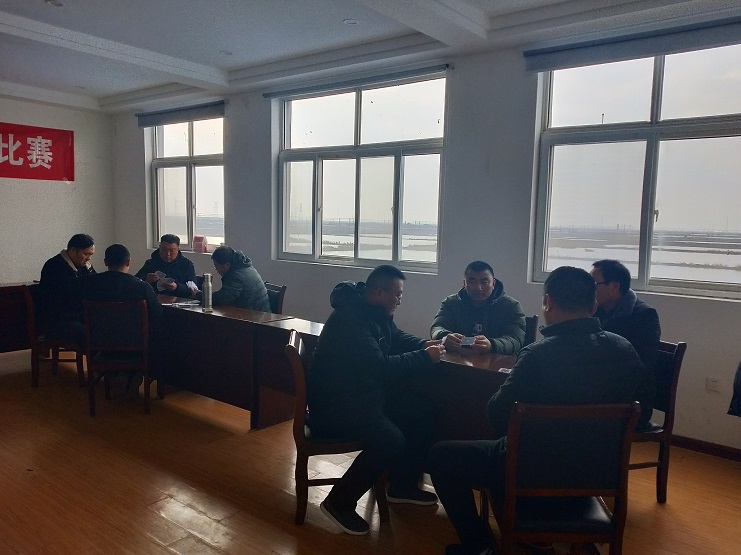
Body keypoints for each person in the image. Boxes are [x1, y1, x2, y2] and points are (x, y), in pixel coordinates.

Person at [428, 266, 644, 555]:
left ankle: (479, 545)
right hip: (598, 469)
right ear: (594, 306)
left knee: (442, 455)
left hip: (531, 468)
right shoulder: (625, 350)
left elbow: (497, 415)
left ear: (548, 302)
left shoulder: (538, 355)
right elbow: (639, 408)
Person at [308, 265, 446, 535]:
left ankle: (402, 486)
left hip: (360, 394)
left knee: (423, 411)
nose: (400, 300)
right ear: (380, 292)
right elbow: (380, 367)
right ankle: (339, 502)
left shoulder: (375, 311)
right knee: (390, 439)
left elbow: (396, 336)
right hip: (336, 405)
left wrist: (425, 344)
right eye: (398, 295)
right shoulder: (351, 319)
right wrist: (424, 358)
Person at [83, 243, 162, 397]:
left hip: (100, 343)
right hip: (136, 344)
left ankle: (116, 375)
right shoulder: (142, 287)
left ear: (105, 262)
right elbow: (157, 314)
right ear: (128, 262)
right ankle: (134, 375)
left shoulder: (90, 283)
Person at [591, 259, 661, 430]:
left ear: (614, 286)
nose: (588, 289)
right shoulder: (595, 310)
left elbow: (639, 367)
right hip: (600, 390)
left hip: (632, 401)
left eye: (593, 284)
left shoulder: (644, 316)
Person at [431, 261, 525, 356]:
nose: (478, 288)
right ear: (464, 283)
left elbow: (515, 340)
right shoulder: (451, 303)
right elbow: (437, 327)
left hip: (496, 361)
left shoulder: (511, 306)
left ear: (493, 283)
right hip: (457, 359)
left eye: (484, 282)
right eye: (472, 282)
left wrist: (492, 345)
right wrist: (444, 336)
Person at [38, 233, 97, 344]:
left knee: (106, 327)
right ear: (73, 250)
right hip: (58, 320)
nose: (89, 258)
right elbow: (66, 295)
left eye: (91, 254)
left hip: (77, 316)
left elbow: (95, 284)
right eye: (86, 254)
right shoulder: (54, 266)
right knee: (93, 334)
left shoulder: (85, 266)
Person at [204, 245, 270, 311]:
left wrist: (201, 295)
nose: (216, 270)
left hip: (255, 314)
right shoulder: (245, 266)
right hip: (259, 311)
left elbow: (222, 298)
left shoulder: (236, 276)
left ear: (226, 265)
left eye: (216, 266)